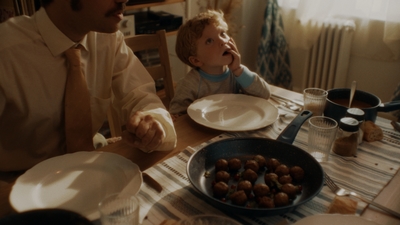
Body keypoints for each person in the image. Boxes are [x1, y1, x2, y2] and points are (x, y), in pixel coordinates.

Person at [0, 0, 177, 172]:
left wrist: (152, 122)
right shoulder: (6, 52)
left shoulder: (108, 39)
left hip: (90, 169)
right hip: (16, 183)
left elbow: (141, 96)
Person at [169, 10, 271, 116]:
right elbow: (176, 117)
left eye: (222, 34)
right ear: (196, 60)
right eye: (209, 41)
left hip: (233, 126)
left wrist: (238, 70)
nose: (222, 41)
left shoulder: (237, 74)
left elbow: (264, 94)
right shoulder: (190, 84)